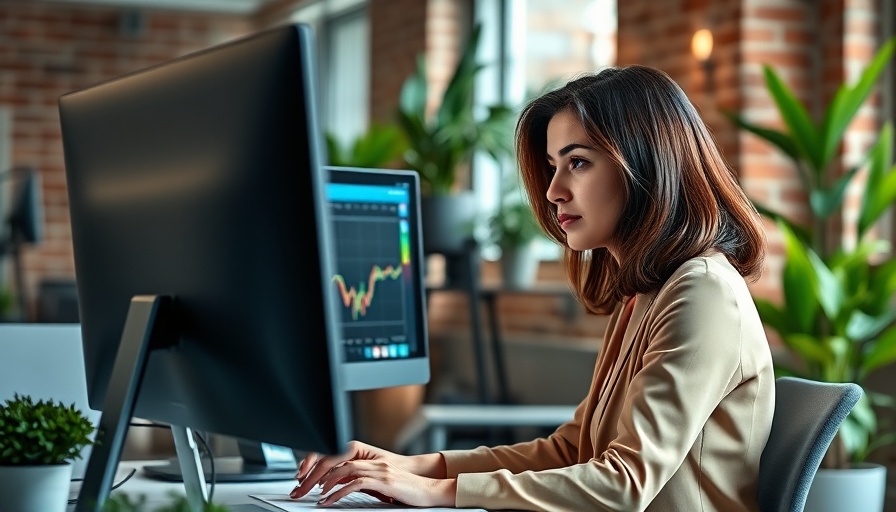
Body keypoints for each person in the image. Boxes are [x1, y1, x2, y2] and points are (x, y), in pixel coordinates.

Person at [290, 65, 776, 511]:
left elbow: (624, 484)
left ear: (647, 164)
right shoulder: (647, 293)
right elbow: (571, 450)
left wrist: (437, 492)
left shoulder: (703, 294)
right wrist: (413, 467)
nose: (553, 190)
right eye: (552, 165)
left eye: (578, 163)